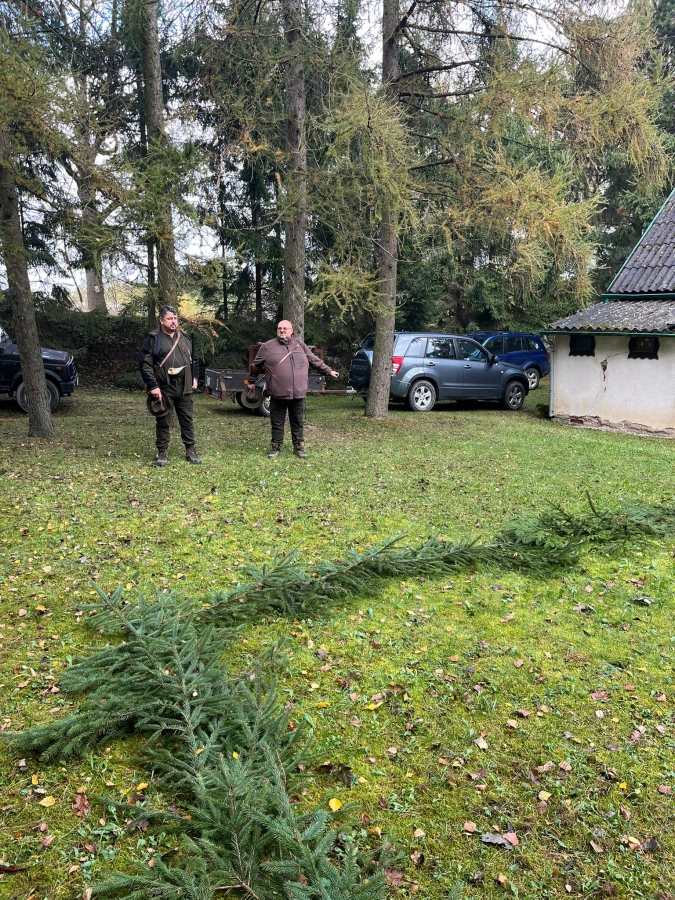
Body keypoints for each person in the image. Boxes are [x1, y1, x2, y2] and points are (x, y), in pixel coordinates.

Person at [250, 320, 338, 458]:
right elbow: (255, 366)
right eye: (279, 328)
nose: (282, 330)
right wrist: (251, 381)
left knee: (297, 422)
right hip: (277, 393)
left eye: (285, 328)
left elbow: (314, 360)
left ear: (291, 331)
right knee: (277, 423)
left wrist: (328, 371)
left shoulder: (300, 345)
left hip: (298, 393)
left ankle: (299, 448)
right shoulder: (267, 347)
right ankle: (276, 448)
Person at [139, 305, 201, 466]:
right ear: (161, 320)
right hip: (164, 388)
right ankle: (162, 452)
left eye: (175, 318)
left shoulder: (185, 338)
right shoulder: (154, 339)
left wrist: (195, 377)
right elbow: (145, 364)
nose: (173, 321)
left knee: (187, 420)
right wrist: (153, 386)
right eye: (169, 319)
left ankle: (191, 450)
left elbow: (194, 360)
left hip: (185, 387)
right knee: (163, 421)